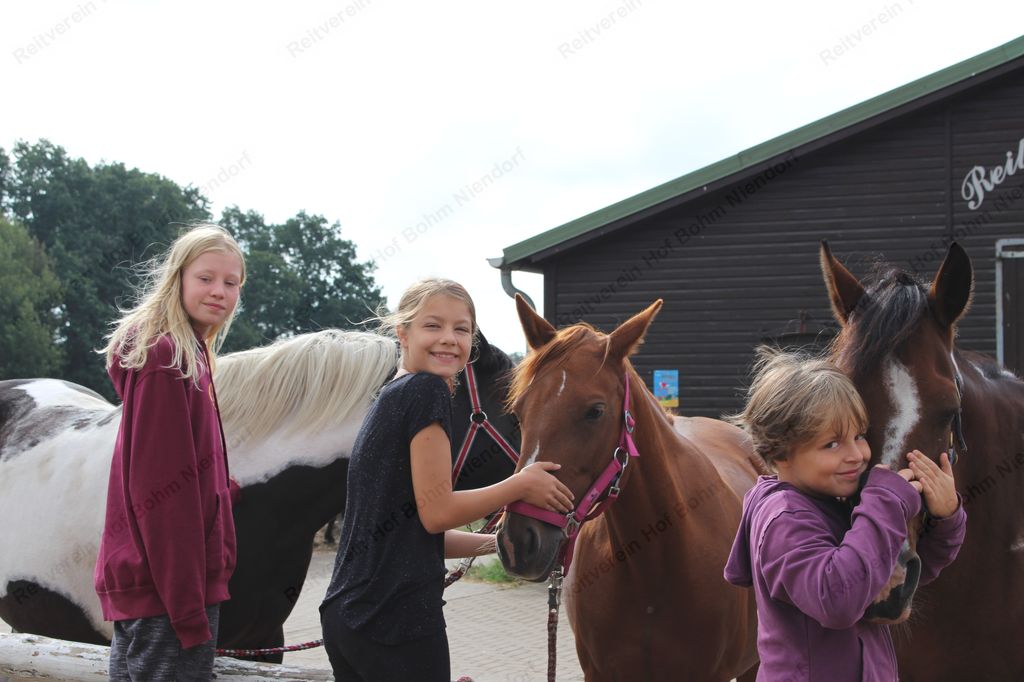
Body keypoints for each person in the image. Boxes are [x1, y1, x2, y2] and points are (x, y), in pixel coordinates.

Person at [320, 278, 574, 682]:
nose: (449, 339)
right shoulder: (426, 392)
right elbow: (437, 513)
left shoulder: (390, 396)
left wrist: (500, 543)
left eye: (462, 329)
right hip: (396, 622)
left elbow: (413, 534)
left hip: (349, 616)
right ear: (403, 333)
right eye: (433, 326)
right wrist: (521, 484)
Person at [724, 349, 966, 681]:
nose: (857, 455)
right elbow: (837, 600)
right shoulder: (783, 520)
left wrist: (945, 517)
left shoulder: (837, 503)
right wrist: (884, 504)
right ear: (779, 452)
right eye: (832, 444)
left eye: (859, 436)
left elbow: (900, 576)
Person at [94, 223, 246, 681]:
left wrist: (221, 495)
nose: (219, 291)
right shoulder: (167, 360)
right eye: (206, 278)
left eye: (231, 282)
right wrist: (187, 609)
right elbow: (163, 497)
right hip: (168, 593)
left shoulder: (188, 355)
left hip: (156, 586)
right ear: (177, 278)